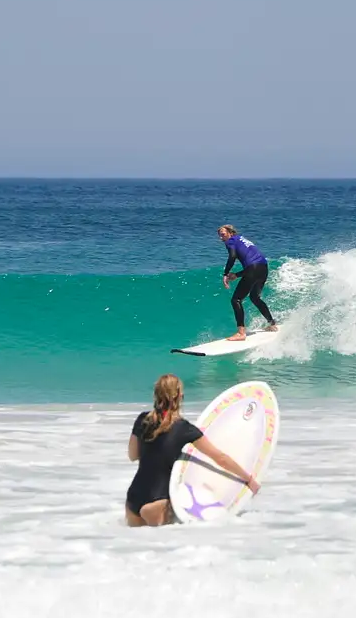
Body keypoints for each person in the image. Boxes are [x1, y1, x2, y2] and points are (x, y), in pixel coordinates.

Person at [125, 373, 260, 527]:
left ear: (156, 395)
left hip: (133, 497)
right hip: (158, 501)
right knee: (163, 548)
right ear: (179, 397)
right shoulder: (185, 429)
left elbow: (132, 455)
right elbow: (220, 458)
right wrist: (248, 479)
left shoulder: (142, 419)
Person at [217, 224, 278, 341]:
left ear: (230, 233)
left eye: (223, 235)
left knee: (236, 300)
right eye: (219, 236)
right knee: (255, 297)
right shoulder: (241, 239)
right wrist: (237, 275)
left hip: (253, 268)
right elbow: (253, 264)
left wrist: (226, 273)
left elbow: (232, 256)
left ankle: (241, 333)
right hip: (263, 268)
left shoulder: (230, 241)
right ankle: (272, 324)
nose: (221, 238)